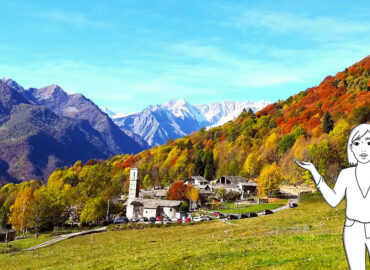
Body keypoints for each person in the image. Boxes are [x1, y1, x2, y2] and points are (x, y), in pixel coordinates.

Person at [294, 123, 370, 270]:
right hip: (353, 229)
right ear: (351, 147)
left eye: (369, 142)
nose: (363, 148)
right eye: (357, 143)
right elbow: (334, 200)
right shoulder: (346, 175)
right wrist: (314, 171)